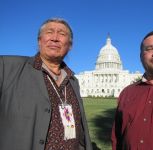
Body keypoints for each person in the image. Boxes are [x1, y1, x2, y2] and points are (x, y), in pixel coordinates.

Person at [0, 18, 92, 150]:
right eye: (49, 32)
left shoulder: (73, 81)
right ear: (39, 41)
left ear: (70, 45)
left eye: (62, 34)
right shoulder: (6, 67)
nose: (55, 38)